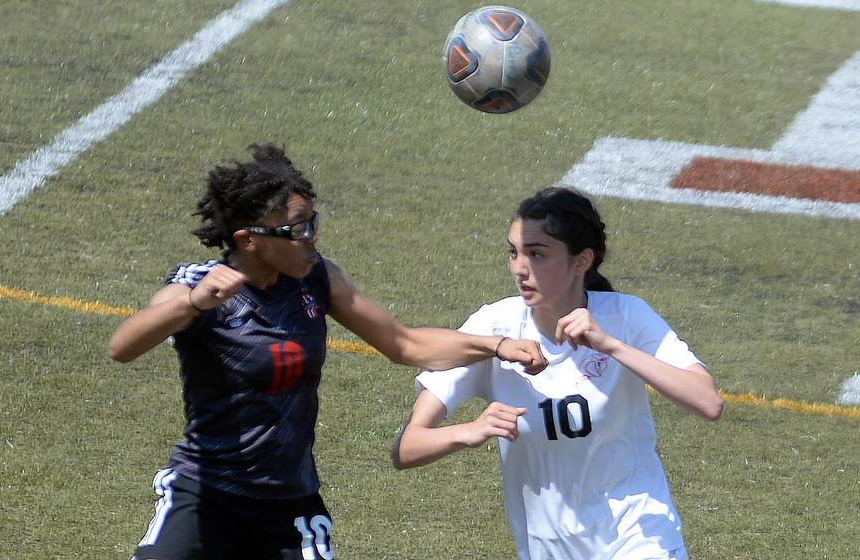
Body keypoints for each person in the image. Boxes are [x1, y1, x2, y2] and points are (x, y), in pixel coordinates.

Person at [107, 143, 546, 560]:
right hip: (206, 492)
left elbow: (404, 343)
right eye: (297, 230)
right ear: (248, 240)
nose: (311, 239)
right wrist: (192, 303)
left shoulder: (317, 278)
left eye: (312, 223)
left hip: (288, 501)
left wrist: (497, 346)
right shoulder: (199, 286)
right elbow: (122, 346)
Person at [391, 187, 724, 560]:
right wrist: (471, 431)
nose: (520, 268)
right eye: (514, 252)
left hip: (639, 536)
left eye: (537, 254)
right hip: (548, 548)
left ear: (581, 261)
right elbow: (407, 448)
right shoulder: (494, 327)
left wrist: (611, 345)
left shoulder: (626, 316)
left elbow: (708, 402)